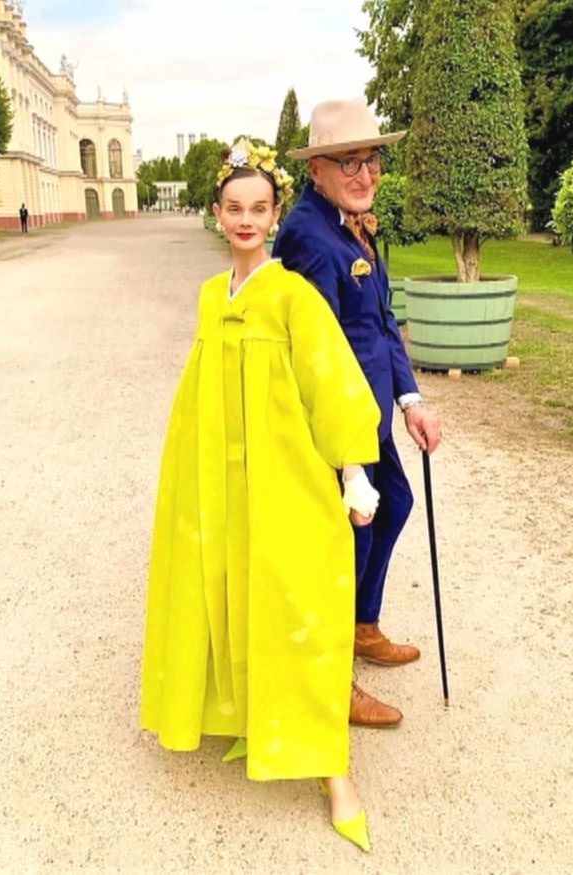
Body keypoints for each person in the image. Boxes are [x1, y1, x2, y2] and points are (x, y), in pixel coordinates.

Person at [140, 139, 385, 852]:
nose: (246, 220)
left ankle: (333, 770)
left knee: (298, 603)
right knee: (226, 592)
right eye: (234, 208)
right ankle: (248, 715)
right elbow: (200, 392)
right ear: (217, 214)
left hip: (283, 477)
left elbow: (330, 382)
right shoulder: (209, 297)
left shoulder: (292, 296)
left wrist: (353, 471)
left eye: (258, 208)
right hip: (218, 479)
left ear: (276, 215)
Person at [274, 99, 443, 727]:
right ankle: (332, 675)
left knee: (394, 504)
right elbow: (317, 350)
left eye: (371, 160)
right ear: (316, 169)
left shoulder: (351, 223)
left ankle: (361, 626)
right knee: (346, 536)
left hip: (371, 414)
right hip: (339, 425)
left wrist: (410, 400)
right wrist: (344, 456)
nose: (366, 174)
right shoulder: (308, 236)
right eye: (349, 162)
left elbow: (380, 321)